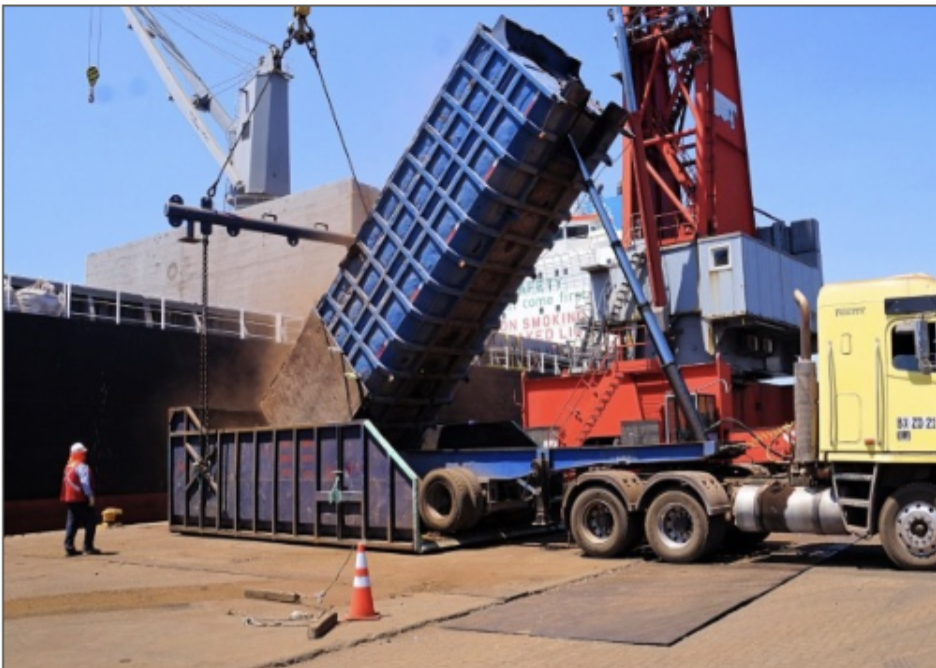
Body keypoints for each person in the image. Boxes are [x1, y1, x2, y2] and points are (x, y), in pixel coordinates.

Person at [60, 442, 101, 557]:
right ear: (80, 454)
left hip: (69, 499)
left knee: (72, 522)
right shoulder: (81, 467)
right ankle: (88, 546)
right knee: (91, 520)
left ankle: (69, 546)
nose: (85, 455)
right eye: (83, 453)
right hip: (81, 499)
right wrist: (90, 496)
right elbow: (85, 483)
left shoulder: (68, 467)